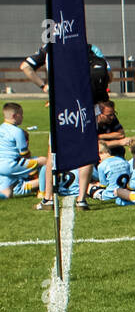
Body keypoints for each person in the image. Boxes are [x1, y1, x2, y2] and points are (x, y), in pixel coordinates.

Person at [21, 43, 112, 209]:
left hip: (62, 105)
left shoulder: (50, 48)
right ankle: (81, 199)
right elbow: (108, 74)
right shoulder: (89, 47)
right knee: (86, 153)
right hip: (87, 105)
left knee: (53, 153)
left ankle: (48, 198)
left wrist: (44, 86)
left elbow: (25, 67)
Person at [0, 102, 45, 198]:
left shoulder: (1, 128)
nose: (22, 117)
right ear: (14, 116)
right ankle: (43, 192)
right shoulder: (17, 131)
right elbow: (25, 154)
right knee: (45, 161)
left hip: (1, 166)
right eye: (21, 114)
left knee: (7, 193)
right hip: (12, 164)